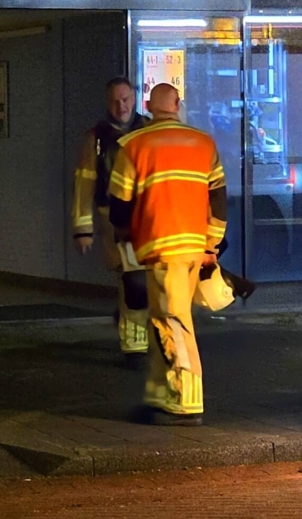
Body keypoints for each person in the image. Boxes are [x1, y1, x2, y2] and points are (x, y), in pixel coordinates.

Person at [108, 83, 227, 426]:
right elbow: (218, 198)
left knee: (171, 323)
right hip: (194, 249)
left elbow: (119, 206)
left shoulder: (133, 146)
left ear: (148, 105)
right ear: (177, 104)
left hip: (161, 249)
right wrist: (211, 245)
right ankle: (161, 395)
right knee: (172, 319)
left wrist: (126, 242)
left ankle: (185, 402)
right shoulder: (204, 143)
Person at [71, 77, 150, 359]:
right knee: (134, 281)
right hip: (116, 222)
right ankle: (135, 347)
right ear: (108, 103)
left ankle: (136, 324)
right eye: (116, 101)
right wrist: (83, 229)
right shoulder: (96, 139)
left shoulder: (150, 131)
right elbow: (84, 184)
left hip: (151, 220)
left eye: (126, 99)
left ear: (135, 98)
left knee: (143, 283)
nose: (122, 105)